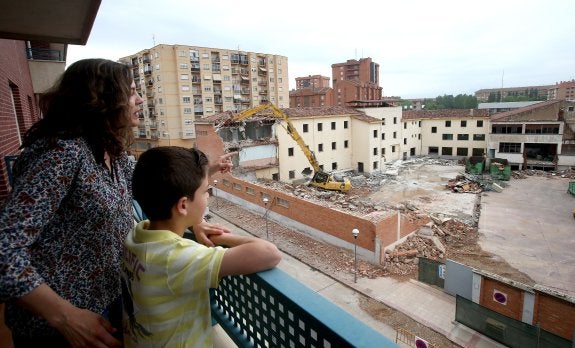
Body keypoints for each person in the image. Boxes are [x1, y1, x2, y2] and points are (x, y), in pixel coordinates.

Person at [0, 58, 233, 348]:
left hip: (109, 303)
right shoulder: (61, 154)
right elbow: (5, 249)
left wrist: (194, 222)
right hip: (60, 325)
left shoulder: (112, 153)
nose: (139, 99)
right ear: (101, 99)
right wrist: (64, 316)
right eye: (132, 92)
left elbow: (162, 189)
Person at [123, 146, 282, 347]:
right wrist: (221, 238)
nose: (208, 196)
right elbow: (269, 253)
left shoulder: (137, 235)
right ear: (182, 205)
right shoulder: (176, 258)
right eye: (206, 191)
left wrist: (208, 171)